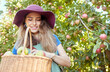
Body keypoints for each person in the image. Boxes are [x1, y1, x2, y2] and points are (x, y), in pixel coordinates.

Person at [12, 4, 71, 72]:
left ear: (42, 22)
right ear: (25, 21)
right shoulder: (20, 43)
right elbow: (13, 65)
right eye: (30, 20)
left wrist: (48, 55)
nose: (34, 23)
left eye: (38, 20)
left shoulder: (53, 38)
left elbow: (67, 63)